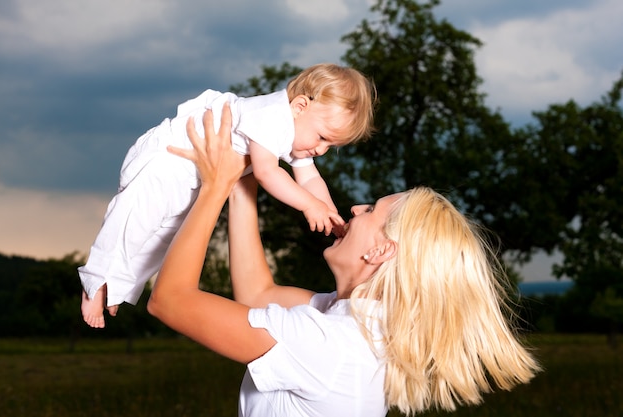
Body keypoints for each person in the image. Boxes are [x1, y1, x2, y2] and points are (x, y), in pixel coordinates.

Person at [147, 105, 540, 416]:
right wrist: (242, 181)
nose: (354, 207)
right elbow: (258, 294)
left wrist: (214, 186)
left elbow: (170, 300)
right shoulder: (350, 323)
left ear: (382, 252)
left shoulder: (330, 343)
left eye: (370, 210)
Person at [79, 63, 376, 328]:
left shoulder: (295, 132)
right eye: (322, 137)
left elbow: (311, 177)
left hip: (194, 176)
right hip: (167, 159)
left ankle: (115, 286)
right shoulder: (270, 116)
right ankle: (95, 282)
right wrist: (309, 205)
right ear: (300, 106)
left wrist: (328, 211)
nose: (321, 150)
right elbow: (266, 173)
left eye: (331, 146)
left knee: (163, 239)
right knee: (132, 225)